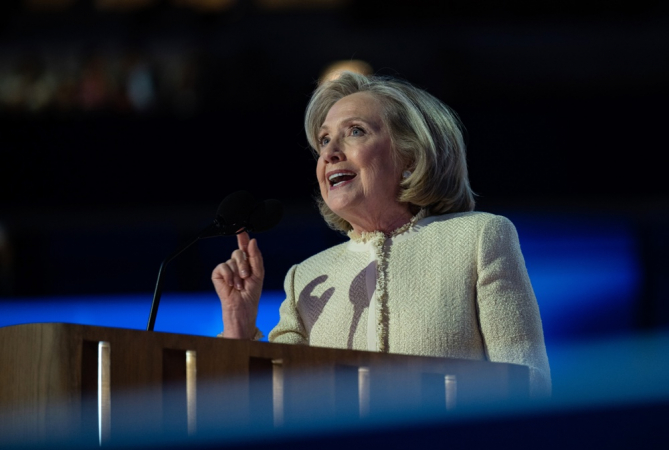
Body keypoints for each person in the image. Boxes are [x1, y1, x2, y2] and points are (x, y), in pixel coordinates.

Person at [212, 71, 551, 397]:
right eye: (325, 140)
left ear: (411, 156)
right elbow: (273, 404)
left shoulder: (477, 239)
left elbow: (527, 382)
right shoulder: (307, 277)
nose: (329, 153)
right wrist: (237, 328)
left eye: (355, 131)